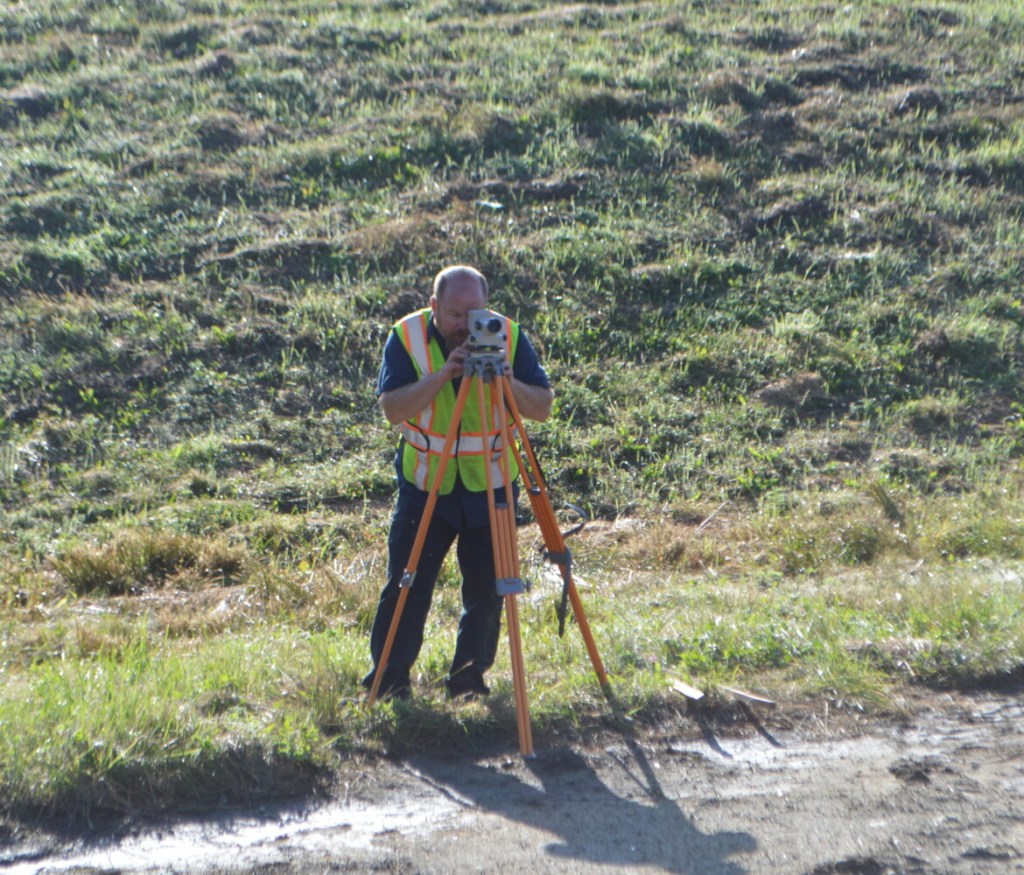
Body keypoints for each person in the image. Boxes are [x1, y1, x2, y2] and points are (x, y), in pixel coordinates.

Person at [363, 265, 554, 701]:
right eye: (454, 315)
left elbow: (542, 407)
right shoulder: (407, 337)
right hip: (426, 486)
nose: (466, 327)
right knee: (406, 584)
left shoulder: (507, 334)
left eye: (475, 313)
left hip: (491, 484)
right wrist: (444, 374)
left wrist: (507, 379)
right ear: (434, 305)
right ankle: (388, 682)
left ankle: (468, 681)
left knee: (488, 590)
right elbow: (392, 409)